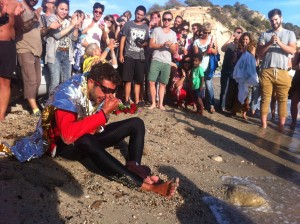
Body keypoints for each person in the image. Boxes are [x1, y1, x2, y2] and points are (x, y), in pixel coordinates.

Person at [12, 61, 179, 197]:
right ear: (91, 82)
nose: (108, 96)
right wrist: (103, 114)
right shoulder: (68, 93)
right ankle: (147, 187)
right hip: (60, 145)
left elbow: (95, 121)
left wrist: (105, 112)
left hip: (84, 134)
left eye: (112, 91)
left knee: (136, 123)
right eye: (105, 90)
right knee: (87, 141)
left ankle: (133, 165)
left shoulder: (97, 89)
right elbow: (68, 136)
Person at [257, 8, 296, 131]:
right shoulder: (264, 34)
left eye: (276, 19)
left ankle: (281, 127)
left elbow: (292, 50)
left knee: (283, 100)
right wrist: (269, 43)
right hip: (267, 70)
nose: (274, 22)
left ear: (281, 18)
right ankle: (263, 126)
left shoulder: (290, 33)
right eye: (271, 20)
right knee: (265, 98)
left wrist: (279, 42)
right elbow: (259, 53)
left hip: (283, 70)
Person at [45, 0, 83, 95]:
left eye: (66, 9)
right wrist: (71, 25)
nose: (64, 11)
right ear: (56, 8)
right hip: (54, 54)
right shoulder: (51, 19)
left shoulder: (68, 21)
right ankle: (50, 107)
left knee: (66, 82)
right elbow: (57, 35)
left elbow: (74, 38)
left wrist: (76, 27)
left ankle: (62, 106)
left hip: (67, 54)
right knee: (55, 82)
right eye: (62, 9)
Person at [14, 0, 43, 116]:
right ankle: (34, 108)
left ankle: (28, 102)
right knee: (30, 79)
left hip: (37, 50)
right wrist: (34, 19)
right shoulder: (20, 6)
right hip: (24, 48)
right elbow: (18, 29)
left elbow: (40, 32)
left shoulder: (35, 11)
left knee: (37, 80)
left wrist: (50, 28)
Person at [119, 5, 149, 107]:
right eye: (138, 14)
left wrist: (143, 44)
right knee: (127, 79)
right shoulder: (128, 24)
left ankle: (137, 101)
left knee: (138, 80)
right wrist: (121, 54)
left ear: (144, 16)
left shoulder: (145, 27)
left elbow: (146, 42)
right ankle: (126, 99)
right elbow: (123, 39)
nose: (139, 16)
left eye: (141, 15)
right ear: (135, 13)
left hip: (140, 56)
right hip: (128, 55)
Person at [148, 11, 177, 110]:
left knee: (163, 84)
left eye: (169, 19)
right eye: (165, 19)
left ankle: (160, 104)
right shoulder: (156, 30)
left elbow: (174, 51)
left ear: (171, 21)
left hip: (166, 61)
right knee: (151, 82)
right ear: (162, 19)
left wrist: (170, 45)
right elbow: (151, 45)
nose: (166, 21)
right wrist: (162, 45)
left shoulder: (173, 34)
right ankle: (153, 103)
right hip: (156, 59)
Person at [0, 0, 23, 120]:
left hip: (7, 46)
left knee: (5, 81)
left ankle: (1, 115)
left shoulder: (16, 3)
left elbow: (19, 28)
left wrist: (18, 16)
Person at [193, 22, 218, 113]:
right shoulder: (196, 41)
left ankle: (211, 105)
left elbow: (216, 52)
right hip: (199, 67)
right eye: (205, 32)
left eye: (209, 32)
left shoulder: (212, 39)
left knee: (209, 86)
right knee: (198, 86)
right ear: (201, 31)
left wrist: (211, 49)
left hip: (208, 66)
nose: (207, 34)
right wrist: (206, 51)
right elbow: (196, 55)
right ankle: (198, 104)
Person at [220, 27, 243, 111]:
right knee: (224, 89)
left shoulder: (242, 45)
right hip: (226, 68)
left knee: (232, 90)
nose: (238, 34)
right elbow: (222, 49)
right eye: (237, 32)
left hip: (236, 71)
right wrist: (230, 39)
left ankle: (230, 106)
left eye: (240, 32)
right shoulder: (230, 43)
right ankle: (221, 106)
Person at [289, 49, 300, 129]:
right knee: (294, 101)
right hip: (298, 79)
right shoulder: (298, 53)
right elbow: (293, 67)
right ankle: (294, 121)